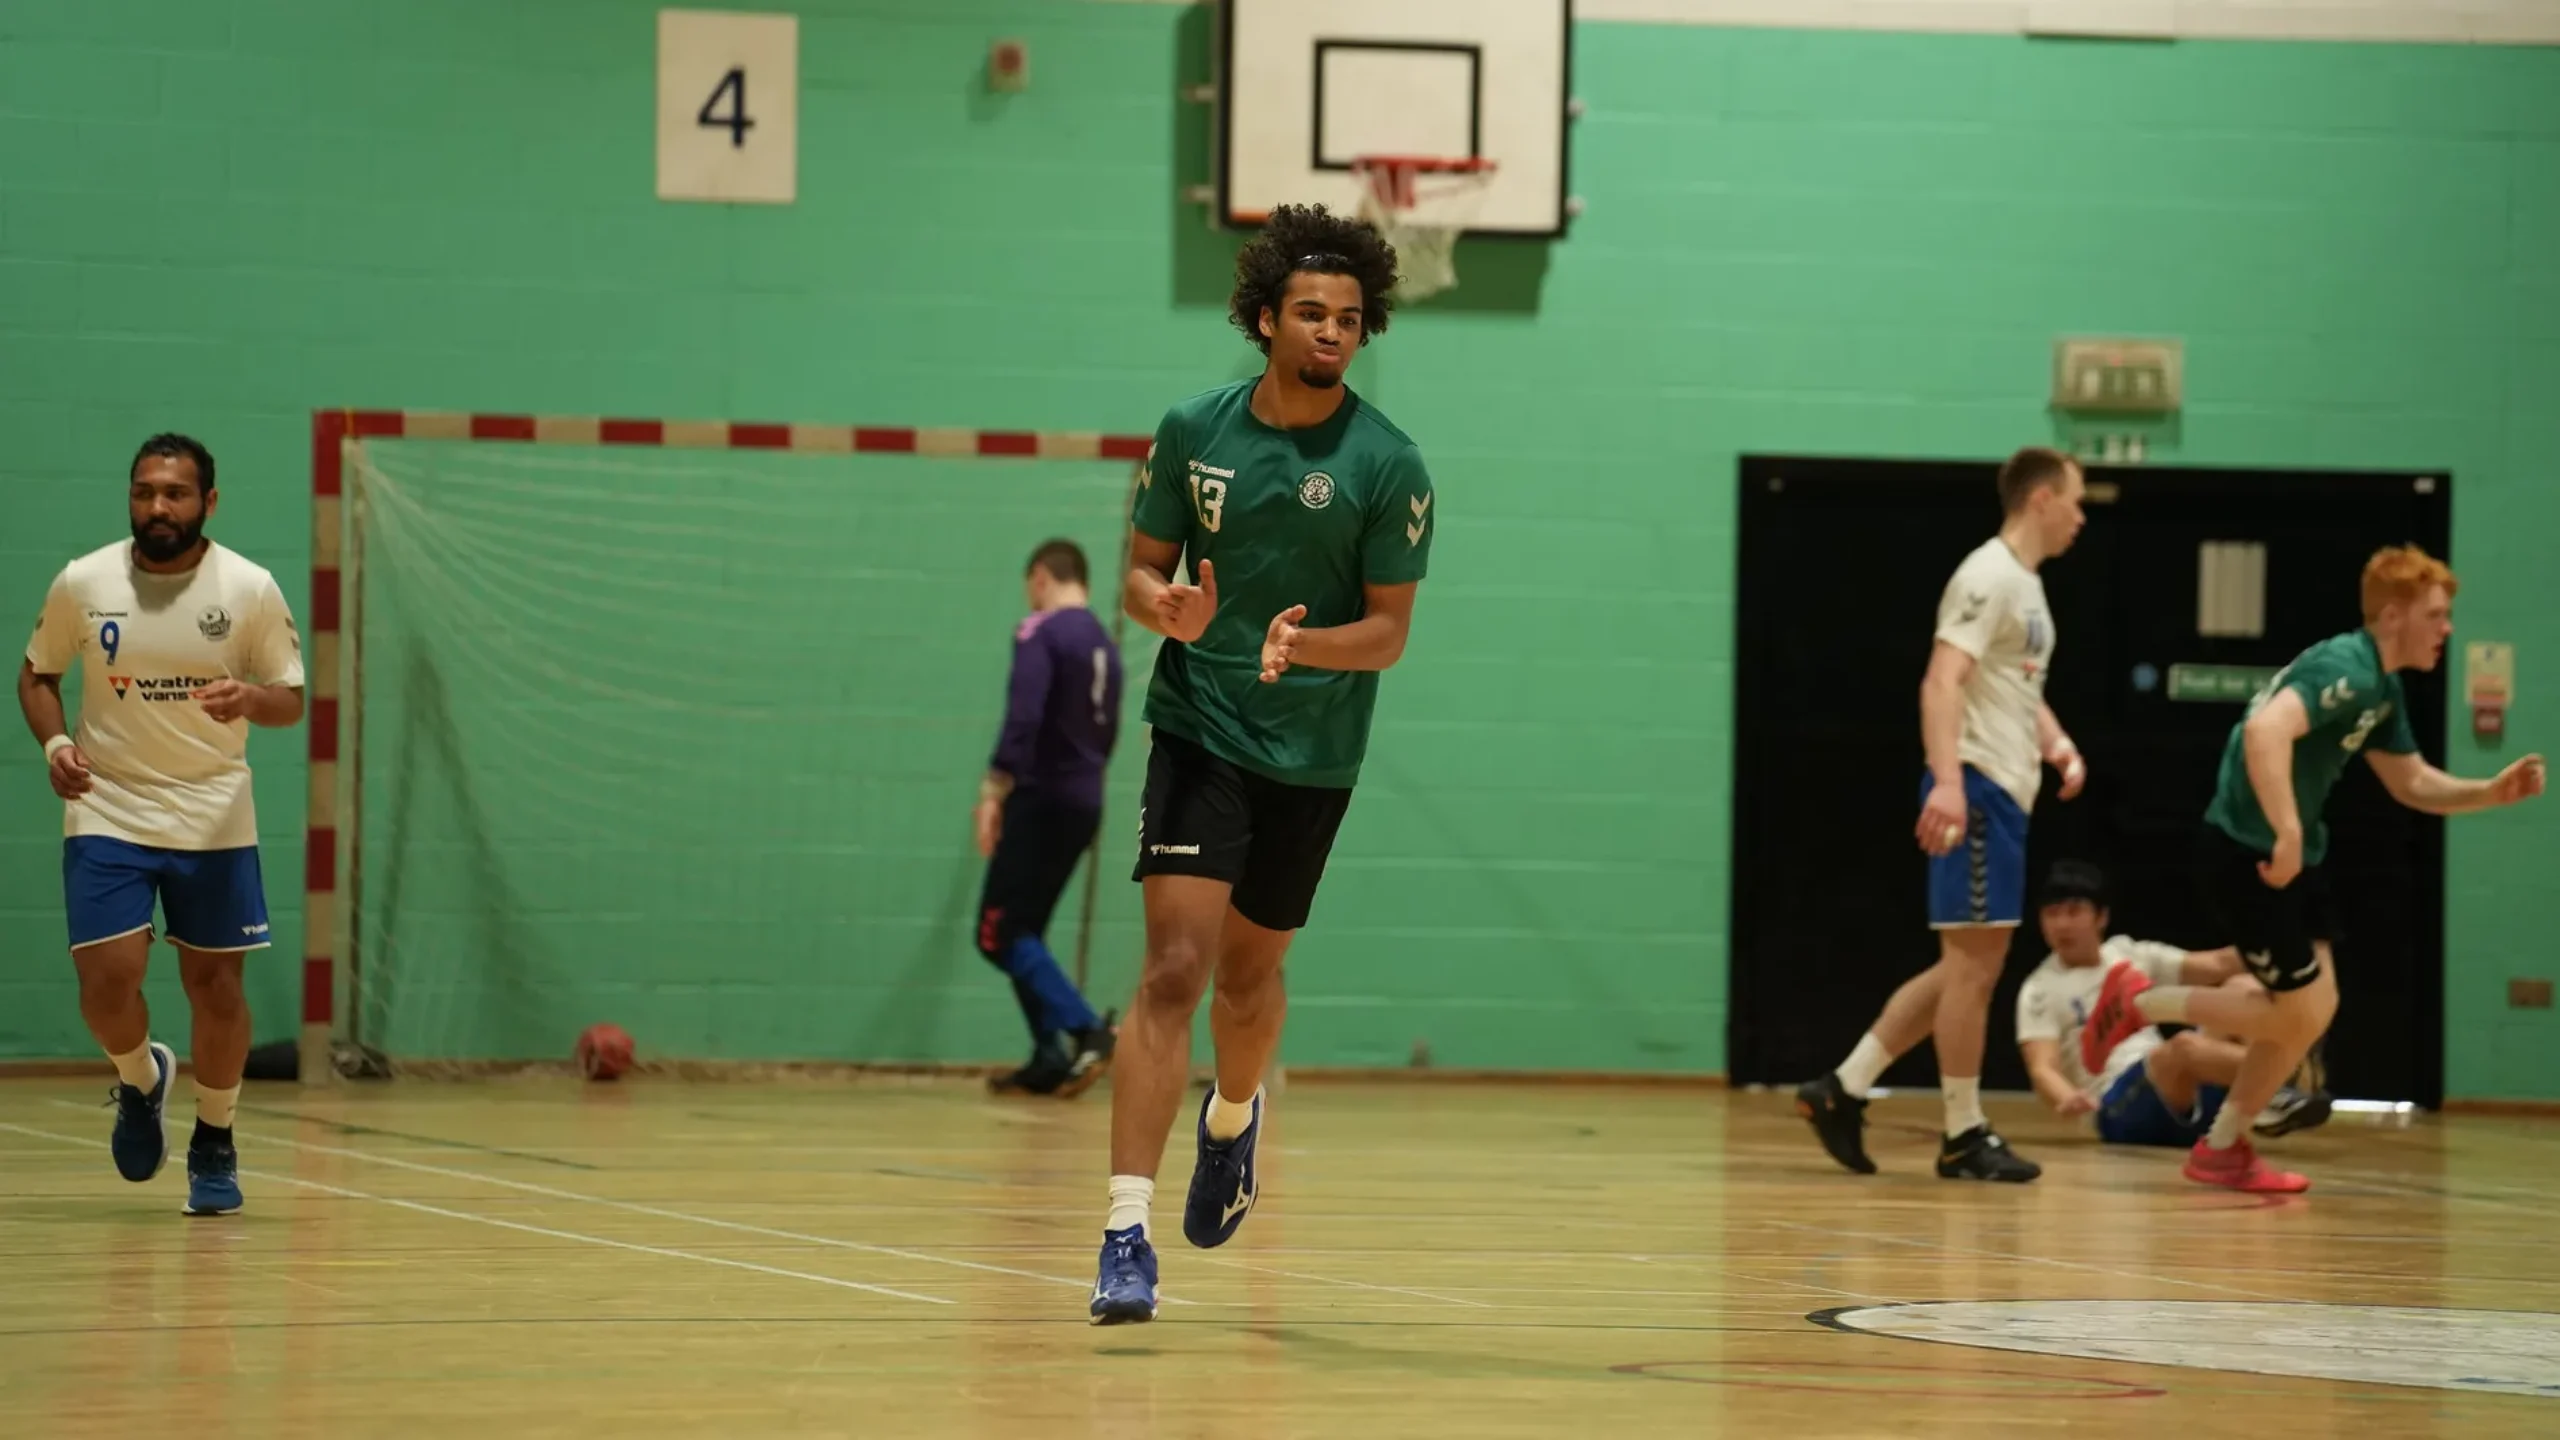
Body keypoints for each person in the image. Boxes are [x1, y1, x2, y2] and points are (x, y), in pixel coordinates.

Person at [1088, 204, 1434, 1324]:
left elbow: (1388, 633)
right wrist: (1168, 611)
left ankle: (1232, 1122)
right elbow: (1138, 573)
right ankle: (1125, 1235)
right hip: (1200, 726)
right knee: (1173, 971)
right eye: (1311, 312)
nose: (1332, 330)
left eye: (1349, 318)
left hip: (1314, 752)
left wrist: (1305, 647)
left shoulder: (1388, 463)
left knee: (1246, 982)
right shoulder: (1194, 431)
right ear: (1265, 319)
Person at [2082, 545, 2544, 1192]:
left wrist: (2489, 793)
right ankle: (2139, 1001)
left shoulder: (2382, 687)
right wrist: (2288, 829)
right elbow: (2265, 731)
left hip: (2298, 857)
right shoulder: (2348, 666)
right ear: (2393, 615)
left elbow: (2410, 781)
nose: (2447, 628)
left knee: (2314, 1010)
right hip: (2248, 853)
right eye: (2436, 615)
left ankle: (2222, 1148)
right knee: (2297, 1014)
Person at [17, 434, 305, 1217]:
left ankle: (215, 1140)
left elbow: (289, 698)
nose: (157, 507)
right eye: (144, 491)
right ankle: (141, 1080)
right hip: (108, 802)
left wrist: (249, 699)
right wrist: (56, 744)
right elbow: (37, 674)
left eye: (175, 493)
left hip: (213, 811)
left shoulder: (248, 588)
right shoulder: (85, 580)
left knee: (216, 987)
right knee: (106, 982)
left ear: (208, 502)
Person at [1796, 446, 2088, 1183]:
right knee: (1974, 973)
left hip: (2005, 789)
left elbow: (2014, 686)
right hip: (1978, 788)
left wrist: (2054, 743)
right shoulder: (1988, 576)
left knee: (1963, 968)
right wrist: (1950, 784)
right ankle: (1962, 1133)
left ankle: (1841, 1089)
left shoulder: (2026, 584)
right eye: (2076, 501)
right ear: (2042, 499)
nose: (2082, 516)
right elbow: (1942, 681)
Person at [973, 539, 1122, 1097]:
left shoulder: (1040, 632)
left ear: (1040, 577)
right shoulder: (1104, 644)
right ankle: (1047, 1056)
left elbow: (1023, 715)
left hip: (1041, 797)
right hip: (1085, 801)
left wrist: (995, 790)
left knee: (997, 932)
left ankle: (1086, 1029)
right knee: (1025, 928)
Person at [2017, 861, 2260, 1147]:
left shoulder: (2127, 954)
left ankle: (2272, 1086)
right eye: (2052, 914)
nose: (2062, 925)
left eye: (2073, 912)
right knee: (2184, 1048)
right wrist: (2067, 1097)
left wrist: (2285, 948)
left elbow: (2218, 963)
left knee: (2243, 988)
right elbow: (2042, 1066)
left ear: (2101, 917)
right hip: (2118, 1108)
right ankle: (2279, 1084)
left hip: (2176, 1088)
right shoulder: (2039, 989)